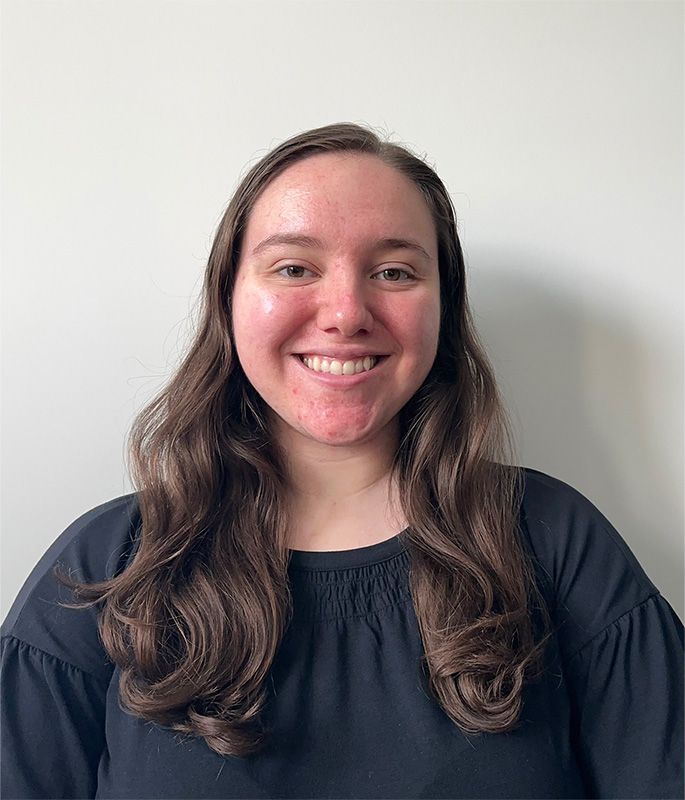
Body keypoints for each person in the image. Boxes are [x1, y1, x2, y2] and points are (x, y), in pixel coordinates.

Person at [1, 122, 682, 800]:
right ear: (228, 298)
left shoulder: (555, 541)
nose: (346, 313)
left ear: (442, 308)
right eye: (294, 267)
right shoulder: (108, 566)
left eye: (393, 272)